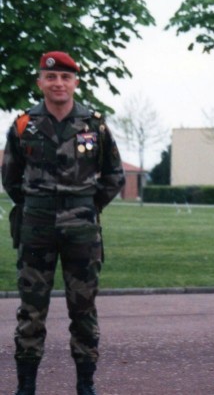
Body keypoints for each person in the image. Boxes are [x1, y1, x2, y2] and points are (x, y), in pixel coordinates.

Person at [1, 51, 125, 395]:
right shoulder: (25, 124)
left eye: (66, 78)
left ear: (75, 82)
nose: (58, 83)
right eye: (51, 77)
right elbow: (10, 177)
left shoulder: (95, 125)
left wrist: (86, 205)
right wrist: (35, 205)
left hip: (82, 228)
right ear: (40, 81)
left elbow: (115, 175)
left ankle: (85, 384)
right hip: (36, 225)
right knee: (31, 310)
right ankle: (26, 386)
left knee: (83, 308)